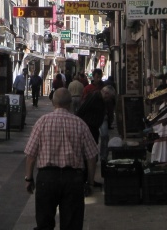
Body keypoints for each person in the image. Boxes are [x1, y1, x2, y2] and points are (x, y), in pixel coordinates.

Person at [24, 88, 98, 230]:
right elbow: (91, 157)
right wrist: (89, 182)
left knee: (44, 223)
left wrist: (28, 178)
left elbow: (31, 155)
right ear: (70, 104)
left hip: (47, 178)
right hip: (73, 179)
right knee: (72, 224)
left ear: (53, 103)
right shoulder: (80, 124)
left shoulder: (42, 122)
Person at [76, 85, 117, 188]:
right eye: (109, 97)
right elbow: (81, 110)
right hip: (88, 128)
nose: (109, 100)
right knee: (89, 156)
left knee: (91, 155)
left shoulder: (100, 98)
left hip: (93, 128)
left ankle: (90, 180)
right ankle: (86, 181)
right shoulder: (94, 97)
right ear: (106, 93)